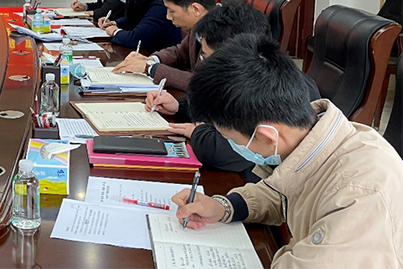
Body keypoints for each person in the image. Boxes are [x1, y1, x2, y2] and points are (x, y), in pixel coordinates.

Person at [170, 34, 403, 267]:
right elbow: (283, 191)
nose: (230, 145)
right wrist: (224, 207)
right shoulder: (314, 139)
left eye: (229, 138)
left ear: (265, 136)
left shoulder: (360, 195)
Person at [145, 0, 275, 179]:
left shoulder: (265, 90)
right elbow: (212, 111)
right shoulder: (244, 76)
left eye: (207, 58)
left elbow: (220, 152)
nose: (204, 66)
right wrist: (179, 107)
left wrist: (197, 131)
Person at [113, 0, 216, 89]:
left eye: (172, 11)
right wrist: (151, 59)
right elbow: (179, 53)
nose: (168, 16)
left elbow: (203, 83)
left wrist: (149, 68)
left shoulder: (223, 34)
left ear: (196, 9)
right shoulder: (199, 25)